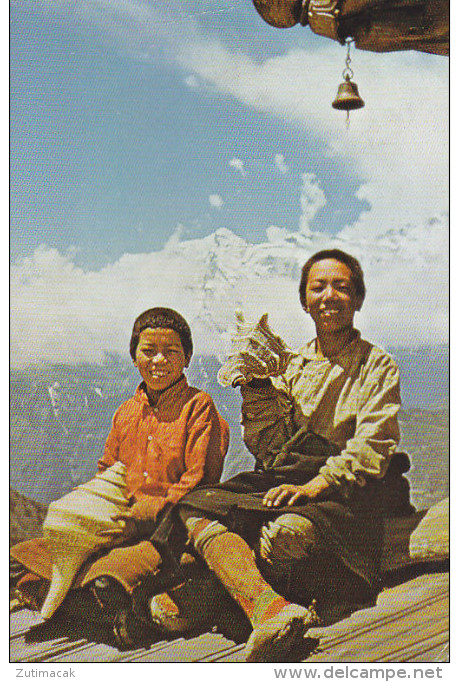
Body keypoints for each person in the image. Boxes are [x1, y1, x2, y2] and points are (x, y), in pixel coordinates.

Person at [148, 249, 413, 662]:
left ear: (358, 299)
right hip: (289, 477)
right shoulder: (291, 364)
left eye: (342, 287)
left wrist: (314, 486)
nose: (329, 296)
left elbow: (373, 444)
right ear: (304, 301)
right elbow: (270, 451)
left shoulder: (376, 364)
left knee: (282, 534)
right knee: (196, 506)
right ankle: (270, 609)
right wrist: (255, 387)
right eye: (318, 287)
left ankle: (224, 598)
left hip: (348, 490)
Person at [10, 307, 229, 647]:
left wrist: (150, 510)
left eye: (170, 352)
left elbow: (199, 480)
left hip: (170, 529)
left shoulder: (199, 406)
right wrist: (93, 511)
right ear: (133, 356)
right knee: (24, 565)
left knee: (105, 581)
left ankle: (127, 615)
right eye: (148, 351)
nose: (158, 360)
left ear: (187, 357)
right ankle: (113, 612)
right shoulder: (126, 413)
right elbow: (107, 470)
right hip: (118, 525)